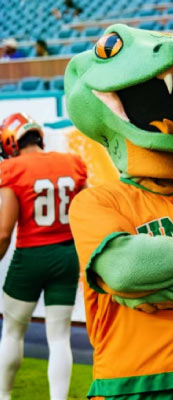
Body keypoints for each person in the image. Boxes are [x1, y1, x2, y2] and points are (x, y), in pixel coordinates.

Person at [0, 113, 86, 400]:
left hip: (30, 256)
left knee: (12, 332)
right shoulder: (72, 162)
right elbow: (86, 211)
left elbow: (4, 232)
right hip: (67, 255)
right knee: (60, 337)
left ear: (11, 142)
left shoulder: (12, 168)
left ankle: (3, 395)